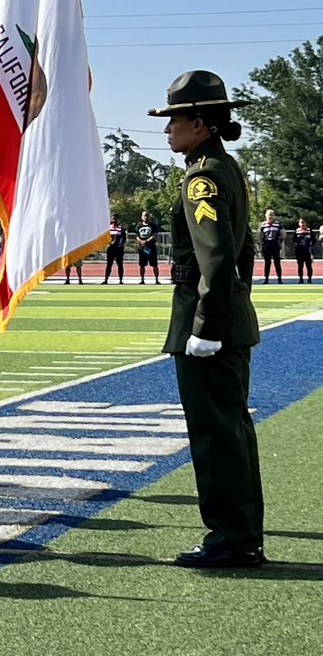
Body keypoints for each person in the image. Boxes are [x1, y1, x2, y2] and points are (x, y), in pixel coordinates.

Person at [150, 70, 263, 568]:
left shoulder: (203, 177)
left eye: (175, 118)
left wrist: (206, 328)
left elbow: (216, 259)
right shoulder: (226, 167)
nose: (168, 128)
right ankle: (240, 535)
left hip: (207, 322)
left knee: (216, 435)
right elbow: (246, 253)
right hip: (228, 316)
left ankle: (231, 540)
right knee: (231, 431)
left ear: (200, 122)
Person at [135, 210, 161, 284]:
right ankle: (142, 280)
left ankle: (156, 279)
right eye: (144, 216)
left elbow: (154, 235)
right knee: (142, 265)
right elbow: (136, 235)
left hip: (151, 248)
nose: (145, 217)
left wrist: (146, 241)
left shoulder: (153, 225)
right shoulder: (139, 225)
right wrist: (141, 241)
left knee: (154, 265)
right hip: (142, 248)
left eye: (147, 215)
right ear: (142, 217)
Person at [258, 209, 283, 283]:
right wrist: (261, 241)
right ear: (265, 216)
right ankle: (266, 279)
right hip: (266, 245)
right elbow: (259, 234)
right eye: (269, 214)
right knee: (267, 262)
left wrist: (280, 240)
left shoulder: (278, 224)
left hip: (275, 245)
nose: (270, 216)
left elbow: (283, 234)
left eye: (271, 215)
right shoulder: (262, 225)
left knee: (277, 262)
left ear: (274, 216)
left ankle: (279, 278)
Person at [103, 215, 126, 284]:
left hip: (118, 249)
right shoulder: (108, 228)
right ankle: (106, 279)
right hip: (110, 249)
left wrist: (120, 244)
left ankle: (121, 280)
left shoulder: (121, 228)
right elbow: (105, 238)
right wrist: (108, 243)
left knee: (120, 265)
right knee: (109, 264)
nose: (114, 220)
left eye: (115, 219)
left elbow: (124, 238)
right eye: (113, 219)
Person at [292, 218, 315, 283]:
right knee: (300, 265)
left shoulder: (309, 231)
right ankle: (301, 278)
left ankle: (309, 279)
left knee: (309, 265)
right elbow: (294, 240)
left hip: (307, 250)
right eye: (301, 222)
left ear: (305, 223)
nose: (302, 224)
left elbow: (313, 240)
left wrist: (310, 246)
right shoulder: (297, 231)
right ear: (299, 224)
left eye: (303, 222)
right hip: (299, 250)